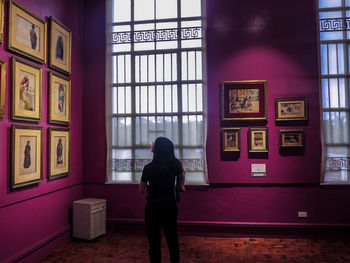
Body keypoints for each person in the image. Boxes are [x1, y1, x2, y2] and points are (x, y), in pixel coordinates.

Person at [139, 137, 185, 263]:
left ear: (158, 148)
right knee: (172, 239)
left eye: (154, 143)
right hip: (169, 205)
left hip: (153, 207)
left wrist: (151, 189)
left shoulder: (148, 168)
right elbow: (181, 186)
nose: (152, 144)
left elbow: (141, 190)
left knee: (154, 241)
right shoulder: (176, 165)